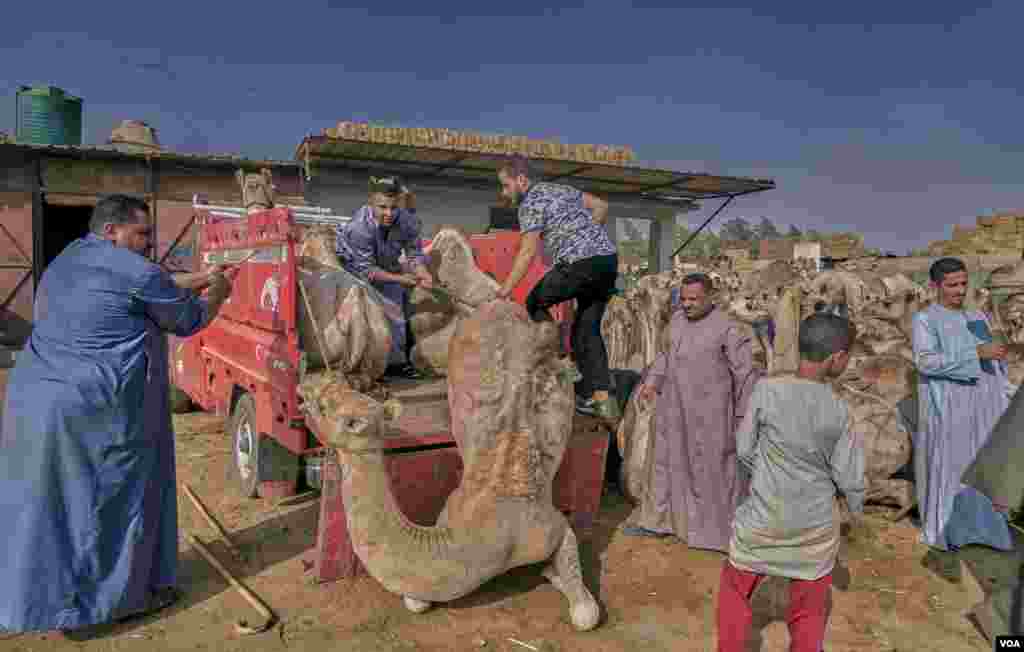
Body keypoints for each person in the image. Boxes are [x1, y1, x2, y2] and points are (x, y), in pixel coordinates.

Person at [0, 195, 232, 639]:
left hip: (35, 399)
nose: (149, 243)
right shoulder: (138, 272)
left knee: (49, 507)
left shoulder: (69, 258)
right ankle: (115, 605)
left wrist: (199, 275)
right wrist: (217, 293)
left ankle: (39, 602)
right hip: (93, 409)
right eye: (142, 234)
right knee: (108, 501)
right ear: (112, 231)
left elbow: (146, 282)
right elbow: (186, 320)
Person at [717, 313, 865, 652]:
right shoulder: (839, 410)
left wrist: (768, 478)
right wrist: (854, 516)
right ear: (836, 358)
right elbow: (852, 481)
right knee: (810, 609)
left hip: (762, 521)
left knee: (735, 590)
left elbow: (743, 449)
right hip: (813, 531)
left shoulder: (767, 391)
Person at [624, 273, 759, 550]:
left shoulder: (728, 328)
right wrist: (652, 382)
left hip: (711, 415)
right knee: (664, 464)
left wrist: (743, 415)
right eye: (683, 299)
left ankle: (714, 535)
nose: (686, 304)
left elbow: (745, 375)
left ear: (711, 297)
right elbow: (664, 356)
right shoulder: (675, 322)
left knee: (710, 471)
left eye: (693, 299)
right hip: (672, 409)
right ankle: (658, 522)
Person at [912, 257, 1015, 583]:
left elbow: (991, 354)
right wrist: (975, 355)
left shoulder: (976, 316)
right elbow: (926, 362)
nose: (959, 291)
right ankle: (948, 530)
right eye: (952, 285)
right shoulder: (925, 320)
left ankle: (985, 530)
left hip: (982, 404)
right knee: (953, 465)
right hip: (950, 408)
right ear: (936, 286)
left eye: (962, 284)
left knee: (979, 466)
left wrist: (997, 356)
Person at [495, 155, 619, 419]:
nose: (504, 192)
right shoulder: (561, 189)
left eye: (506, 186)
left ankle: (561, 361)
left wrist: (505, 290)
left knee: (534, 303)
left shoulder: (529, 203)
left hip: (579, 264)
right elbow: (601, 206)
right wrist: (585, 235)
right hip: (607, 261)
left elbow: (527, 252)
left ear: (521, 180)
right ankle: (603, 400)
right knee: (587, 330)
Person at [335, 175, 433, 379]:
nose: (389, 213)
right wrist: (400, 279)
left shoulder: (407, 221)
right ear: (371, 202)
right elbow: (366, 271)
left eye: (394, 207)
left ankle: (395, 364)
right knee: (371, 313)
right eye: (382, 207)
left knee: (396, 309)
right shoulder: (358, 228)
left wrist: (423, 272)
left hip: (386, 265)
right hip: (353, 270)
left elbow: (414, 253)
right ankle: (363, 362)